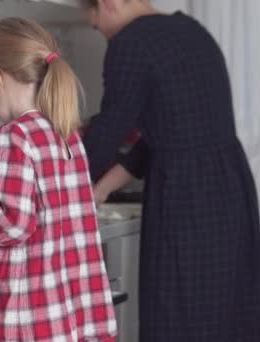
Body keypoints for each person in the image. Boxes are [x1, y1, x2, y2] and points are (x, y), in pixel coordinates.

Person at [80, 0, 260, 341]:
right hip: (231, 194)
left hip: (187, 200)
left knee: (178, 320)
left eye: (94, 24)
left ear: (107, 3)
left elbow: (108, 133)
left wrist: (46, 188)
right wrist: (101, 188)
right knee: (228, 321)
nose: (100, 33)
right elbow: (165, 136)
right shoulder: (193, 32)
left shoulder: (131, 42)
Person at [0, 17, 117, 342]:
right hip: (65, 317)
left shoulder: (14, 136)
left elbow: (14, 221)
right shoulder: (66, 135)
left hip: (28, 321)